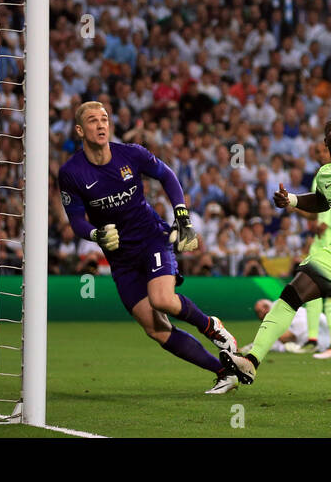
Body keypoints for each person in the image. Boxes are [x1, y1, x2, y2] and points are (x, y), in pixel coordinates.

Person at [58, 101, 242, 394]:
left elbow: (167, 175)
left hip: (152, 238)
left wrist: (181, 214)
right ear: (80, 129)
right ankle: (224, 372)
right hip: (120, 257)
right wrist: (97, 235)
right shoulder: (72, 172)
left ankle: (211, 326)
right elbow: (76, 220)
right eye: (93, 121)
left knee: (162, 299)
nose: (101, 124)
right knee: (155, 329)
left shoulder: (131, 153)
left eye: (105, 118)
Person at [219, 114, 331, 395]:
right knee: (293, 292)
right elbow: (321, 200)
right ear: (326, 141)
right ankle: (252, 360)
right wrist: (291, 200)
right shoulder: (325, 174)